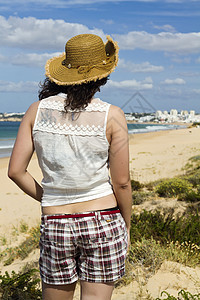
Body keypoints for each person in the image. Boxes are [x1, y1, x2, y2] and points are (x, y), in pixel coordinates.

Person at [8, 34, 132, 300]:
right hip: (103, 219)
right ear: (102, 75)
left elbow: (15, 171)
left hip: (56, 222)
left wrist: (50, 197)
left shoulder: (36, 111)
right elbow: (121, 182)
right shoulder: (113, 115)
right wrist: (127, 224)